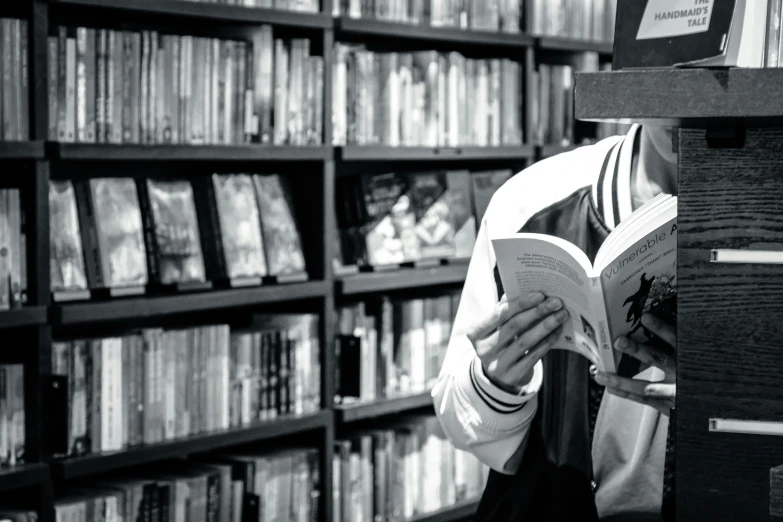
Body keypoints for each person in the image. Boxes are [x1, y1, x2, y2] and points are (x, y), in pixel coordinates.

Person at [433, 123, 677, 521]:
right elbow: (456, 414)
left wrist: (717, 410)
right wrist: (495, 383)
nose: (681, 111)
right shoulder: (533, 199)